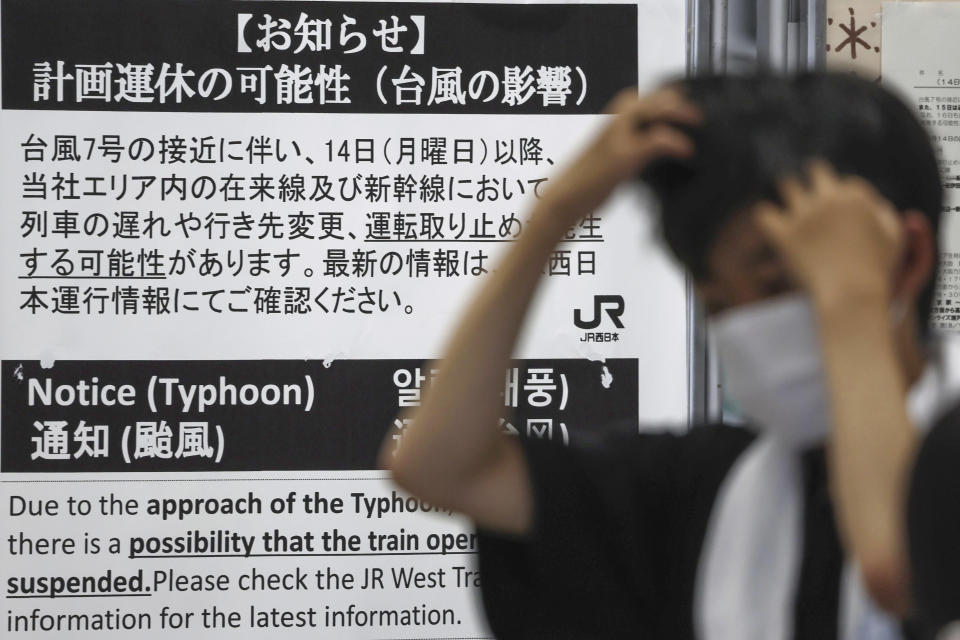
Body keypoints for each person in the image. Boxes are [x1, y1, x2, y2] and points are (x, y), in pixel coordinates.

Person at [380, 72, 957, 639]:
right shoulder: (705, 488)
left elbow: (897, 564)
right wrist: (554, 216)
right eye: (716, 304)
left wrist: (852, 304)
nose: (744, 325)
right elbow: (436, 465)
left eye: (782, 284)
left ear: (905, 260)